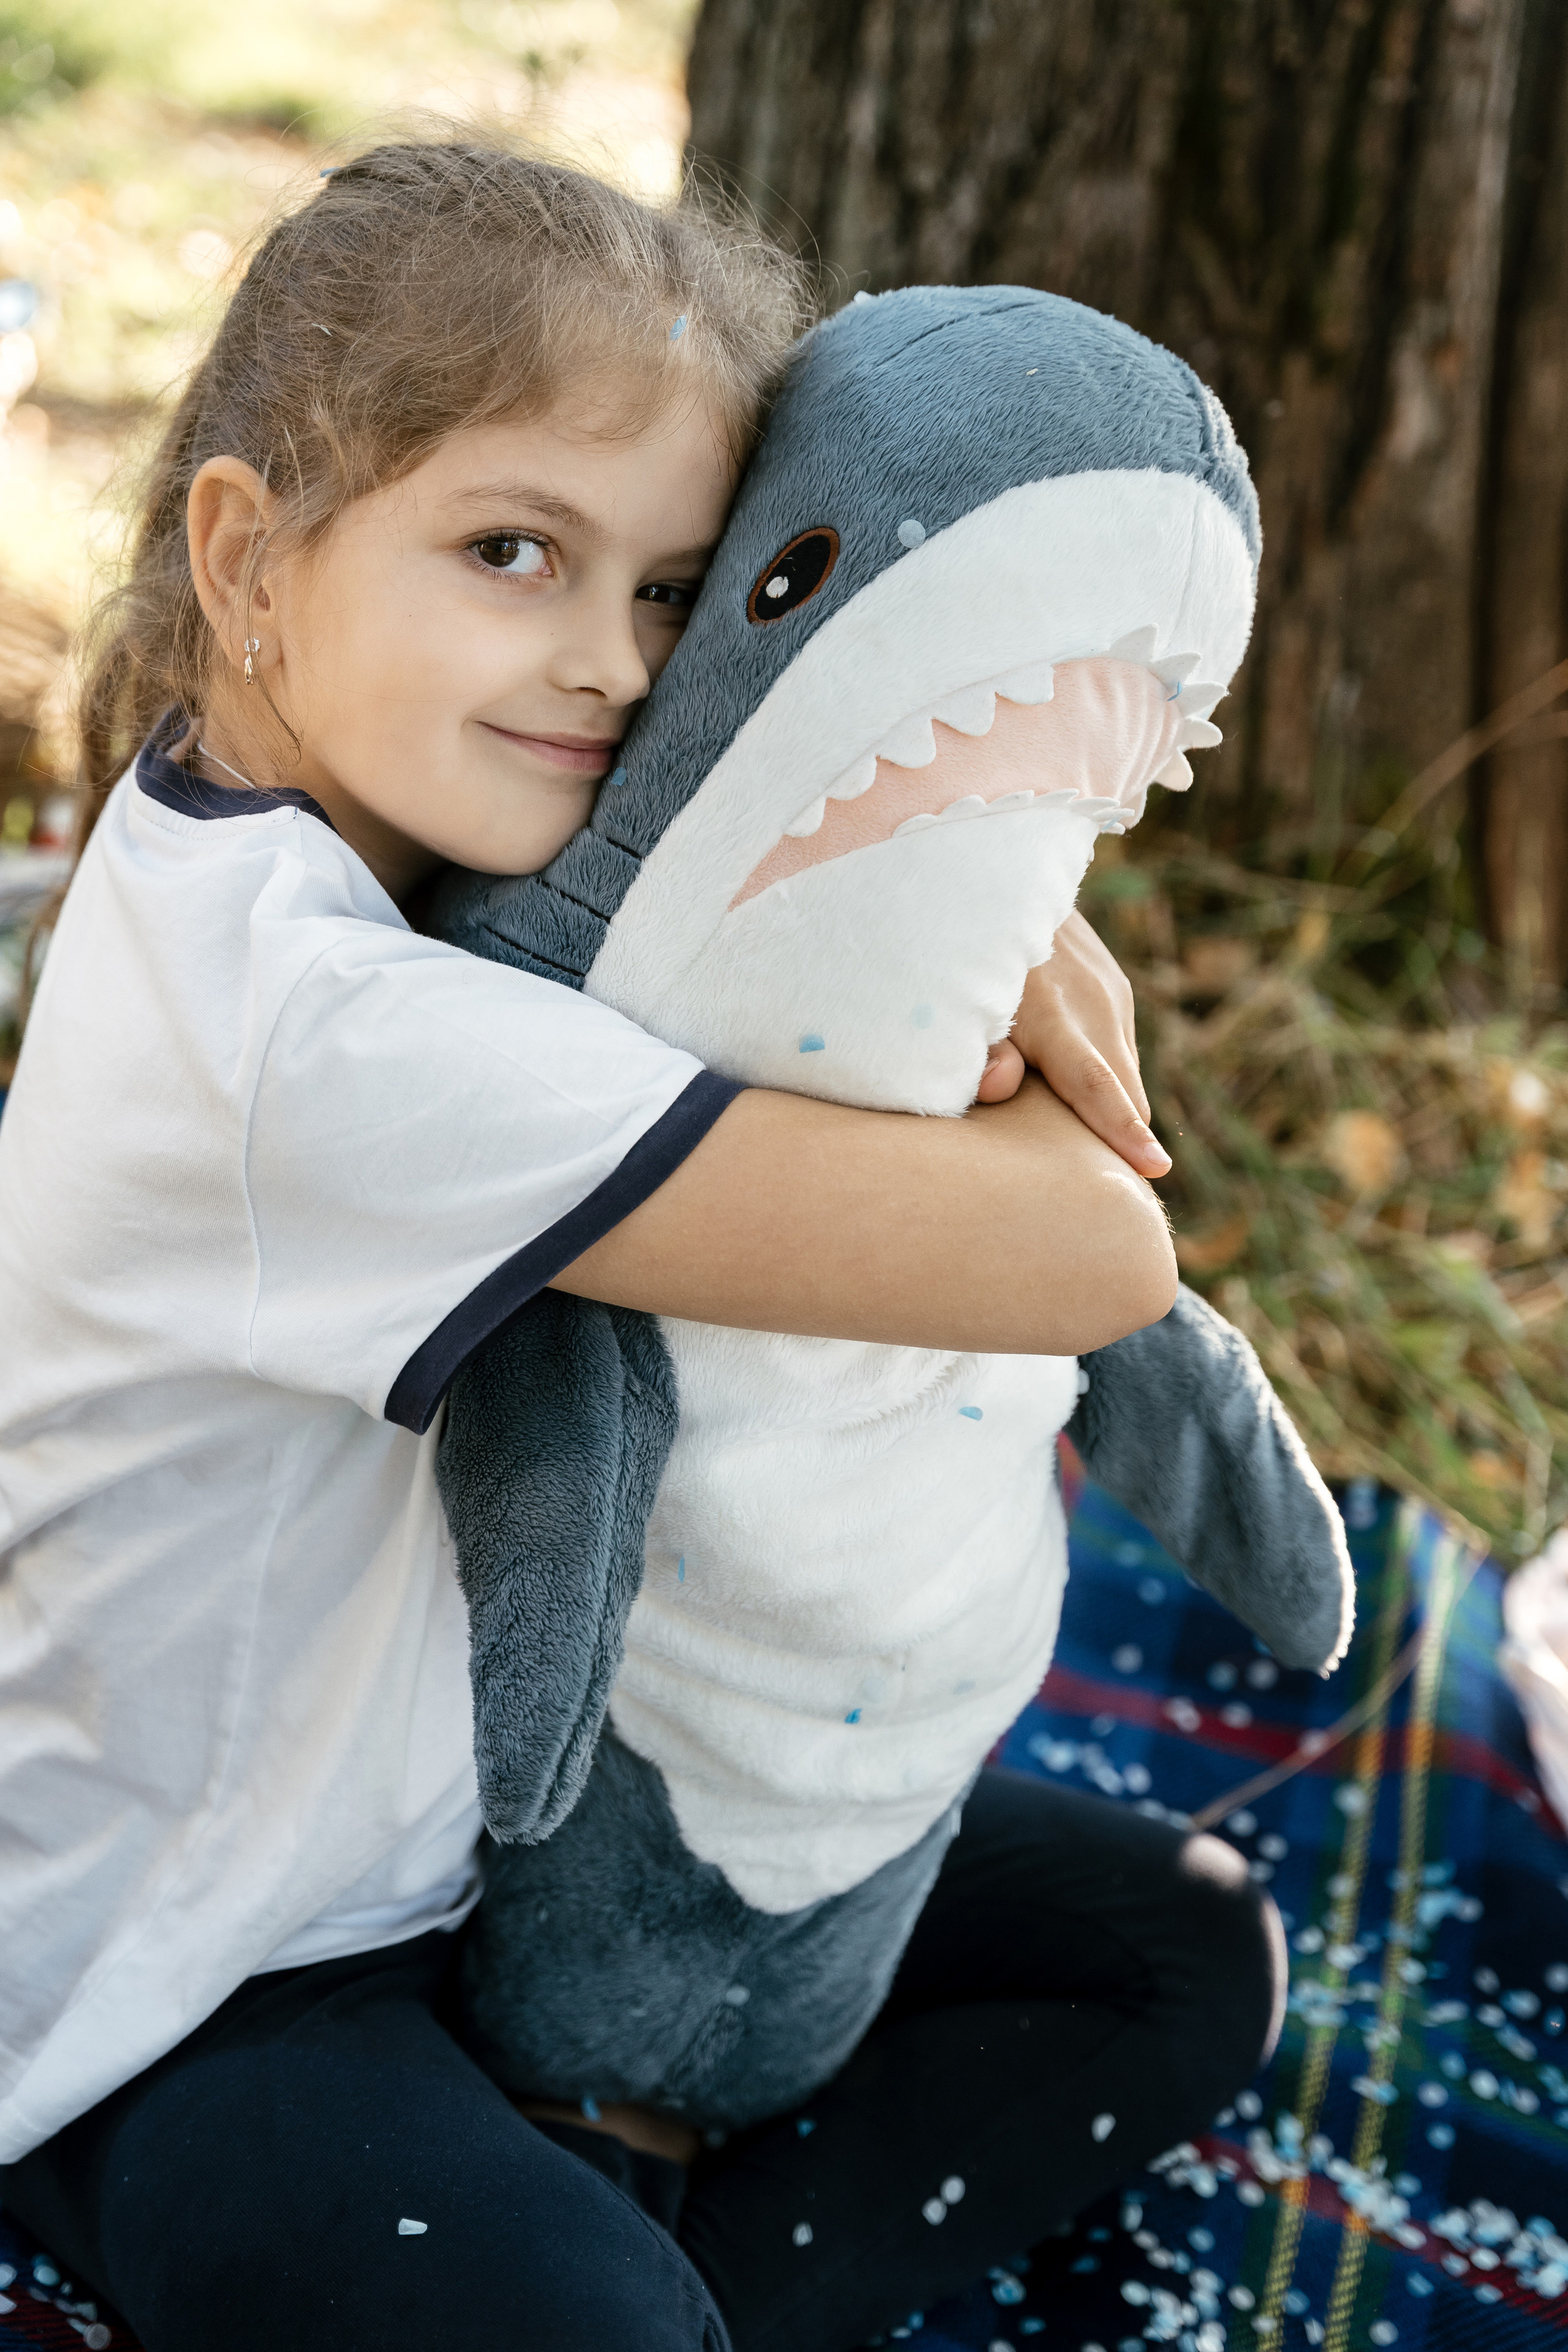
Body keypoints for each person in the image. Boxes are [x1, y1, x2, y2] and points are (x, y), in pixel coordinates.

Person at [0, 138, 1283, 2352]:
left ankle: (649, 2249)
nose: (607, 667)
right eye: (516, 552)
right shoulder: (317, 1041)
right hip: (197, 1970)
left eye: (677, 594)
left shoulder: (343, 823)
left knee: (1186, 1948)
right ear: (249, 556)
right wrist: (1018, 985)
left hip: (519, 1849)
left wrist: (1025, 912)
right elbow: (1085, 1266)